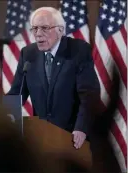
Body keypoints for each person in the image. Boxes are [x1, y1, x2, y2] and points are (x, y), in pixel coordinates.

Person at [7, 7, 101, 149]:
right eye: (35, 29)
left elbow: (89, 95)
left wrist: (81, 128)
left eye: (45, 28)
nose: (38, 34)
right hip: (41, 140)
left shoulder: (78, 50)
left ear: (60, 30)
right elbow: (17, 93)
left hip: (73, 138)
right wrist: (3, 116)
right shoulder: (28, 54)